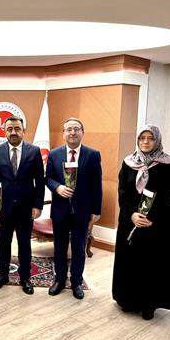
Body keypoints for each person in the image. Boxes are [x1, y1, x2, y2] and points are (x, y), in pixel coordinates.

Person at [112, 125, 170, 320]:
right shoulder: (128, 163)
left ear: (157, 140)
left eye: (150, 138)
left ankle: (149, 304)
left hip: (156, 223)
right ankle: (127, 300)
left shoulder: (168, 164)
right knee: (130, 262)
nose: (146, 142)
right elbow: (123, 193)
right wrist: (132, 214)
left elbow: (166, 195)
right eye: (142, 138)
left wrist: (150, 218)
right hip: (130, 221)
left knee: (151, 264)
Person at [46, 118, 102, 300]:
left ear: (82, 132)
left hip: (82, 210)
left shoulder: (93, 155)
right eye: (69, 129)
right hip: (60, 210)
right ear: (63, 133)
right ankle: (59, 280)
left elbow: (97, 184)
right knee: (59, 248)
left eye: (76, 129)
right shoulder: (54, 154)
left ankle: (76, 282)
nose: (72, 132)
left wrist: (96, 210)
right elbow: (48, 178)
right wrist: (57, 188)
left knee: (79, 248)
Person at [0, 116, 45, 295]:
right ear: (5, 131)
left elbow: (40, 181)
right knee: (3, 243)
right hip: (3, 208)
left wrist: (38, 205)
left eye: (17, 129)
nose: (13, 132)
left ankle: (25, 278)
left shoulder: (34, 151)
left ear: (23, 131)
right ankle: (2, 275)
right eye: (10, 129)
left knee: (24, 244)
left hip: (25, 207)